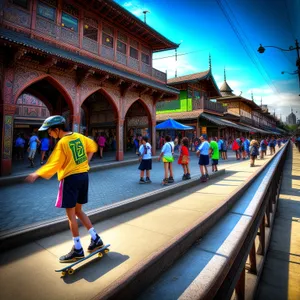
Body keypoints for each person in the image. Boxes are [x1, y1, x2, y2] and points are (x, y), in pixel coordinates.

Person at [25, 115, 104, 263]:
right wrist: (86, 161)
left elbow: (53, 164)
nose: (49, 134)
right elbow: (93, 146)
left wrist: (37, 173)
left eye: (50, 131)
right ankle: (96, 239)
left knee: (71, 216)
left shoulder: (62, 143)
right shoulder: (79, 136)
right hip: (83, 177)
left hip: (70, 180)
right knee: (79, 211)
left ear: (57, 129)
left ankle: (78, 249)